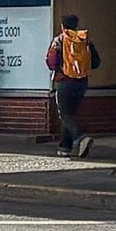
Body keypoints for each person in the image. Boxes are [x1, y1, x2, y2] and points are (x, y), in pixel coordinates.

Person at [46, 14, 101, 159]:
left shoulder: (59, 40)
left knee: (64, 114)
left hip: (64, 81)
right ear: (76, 25)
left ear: (63, 26)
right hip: (81, 82)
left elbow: (51, 62)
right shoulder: (84, 40)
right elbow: (96, 62)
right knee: (71, 114)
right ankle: (65, 147)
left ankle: (81, 137)